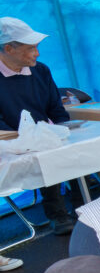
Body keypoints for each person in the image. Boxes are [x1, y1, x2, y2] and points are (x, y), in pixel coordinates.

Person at [0, 17, 75, 234]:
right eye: (31, 48)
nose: (37, 53)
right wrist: (24, 140)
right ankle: (58, 215)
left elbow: (56, 109)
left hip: (44, 136)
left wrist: (68, 132)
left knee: (76, 150)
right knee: (44, 156)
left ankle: (86, 206)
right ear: (8, 49)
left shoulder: (40, 70)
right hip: (10, 145)